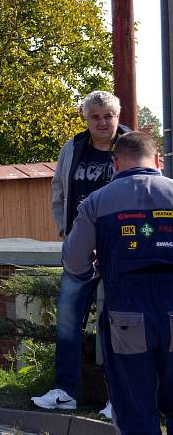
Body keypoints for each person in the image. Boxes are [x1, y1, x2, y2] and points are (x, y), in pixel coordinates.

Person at [62, 132, 173, 434]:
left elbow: (74, 262)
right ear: (158, 160)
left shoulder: (98, 201)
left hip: (125, 313)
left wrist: (94, 267)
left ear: (115, 163)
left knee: (135, 406)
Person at [32, 91, 130, 414]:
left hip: (120, 251)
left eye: (108, 116)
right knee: (68, 321)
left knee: (120, 325)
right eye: (95, 117)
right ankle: (64, 391)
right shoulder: (73, 148)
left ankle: (118, 400)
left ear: (118, 116)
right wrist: (65, 230)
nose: (102, 122)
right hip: (80, 251)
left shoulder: (131, 147)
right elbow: (58, 188)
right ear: (85, 119)